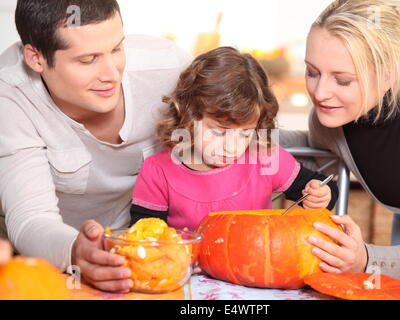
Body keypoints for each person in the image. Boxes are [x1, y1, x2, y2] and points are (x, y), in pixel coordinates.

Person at [0, 0, 191, 292]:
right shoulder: (10, 95)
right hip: (51, 267)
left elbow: (241, 129)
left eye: (116, 49)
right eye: (87, 60)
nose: (112, 74)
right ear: (36, 58)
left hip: (151, 261)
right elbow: (30, 219)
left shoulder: (171, 67)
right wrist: (75, 252)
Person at [281, 0, 400, 282]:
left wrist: (367, 260)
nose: (320, 93)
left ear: (387, 76)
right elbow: (317, 155)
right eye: (312, 72)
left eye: (343, 80)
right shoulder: (330, 119)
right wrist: (242, 130)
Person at [129, 47, 339, 231]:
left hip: (252, 267)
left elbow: (319, 187)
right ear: (189, 117)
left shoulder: (264, 159)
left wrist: (321, 195)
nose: (231, 147)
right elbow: (146, 236)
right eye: (219, 132)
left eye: (245, 134)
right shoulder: (157, 171)